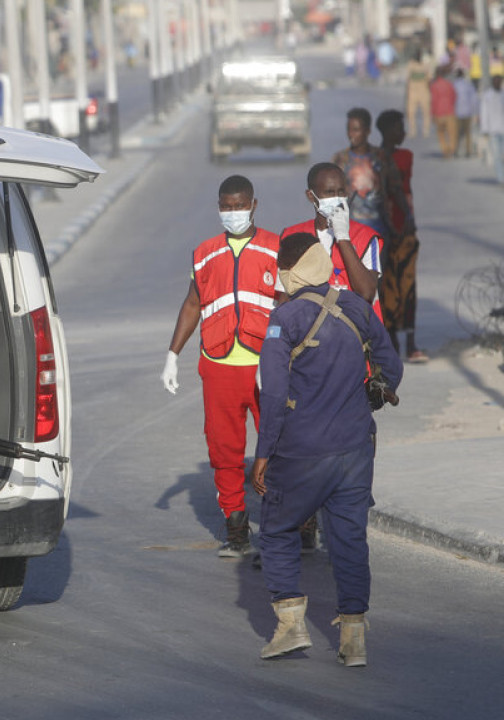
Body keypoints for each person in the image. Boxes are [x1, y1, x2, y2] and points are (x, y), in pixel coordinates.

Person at [252, 232, 403, 667]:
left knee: (278, 531)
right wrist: (377, 390)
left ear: (289, 272)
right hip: (356, 448)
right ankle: (354, 639)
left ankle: (289, 627)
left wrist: (263, 453)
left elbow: (274, 395)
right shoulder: (356, 305)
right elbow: (391, 366)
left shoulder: (284, 319)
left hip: (302, 451)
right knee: (350, 538)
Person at [160, 175, 282, 558]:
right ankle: (237, 531)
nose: (232, 213)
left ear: (254, 205)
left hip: (268, 367)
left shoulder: (276, 249)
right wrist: (172, 355)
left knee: (280, 446)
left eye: (239, 205)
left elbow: (292, 304)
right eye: (225, 207)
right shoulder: (205, 253)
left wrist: (283, 356)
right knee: (224, 450)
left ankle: (289, 528)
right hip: (219, 366)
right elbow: (193, 304)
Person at [281, 162, 384, 319]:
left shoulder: (366, 237)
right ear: (311, 196)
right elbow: (284, 297)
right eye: (329, 192)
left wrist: (343, 236)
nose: (336, 198)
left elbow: (367, 293)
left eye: (341, 192)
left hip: (355, 334)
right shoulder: (292, 235)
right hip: (310, 334)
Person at [376, 110, 429, 362]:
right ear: (386, 130)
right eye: (398, 128)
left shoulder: (403, 157)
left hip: (403, 228)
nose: (403, 132)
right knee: (388, 285)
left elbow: (399, 190)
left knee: (407, 284)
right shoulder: (377, 158)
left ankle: (408, 339)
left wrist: (409, 220)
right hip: (385, 229)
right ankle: (394, 339)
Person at [330, 107, 408, 246]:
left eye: (356, 130)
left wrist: (407, 219)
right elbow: (329, 196)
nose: (351, 134)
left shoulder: (381, 157)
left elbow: (396, 190)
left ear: (367, 131)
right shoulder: (340, 159)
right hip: (349, 235)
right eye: (349, 130)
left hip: (378, 231)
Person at [404, 47, 433, 138]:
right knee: (411, 112)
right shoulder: (411, 64)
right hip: (414, 91)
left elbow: (429, 78)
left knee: (426, 112)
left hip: (423, 91)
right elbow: (408, 78)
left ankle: (426, 130)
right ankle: (413, 130)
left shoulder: (426, 65)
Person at [480, 75, 504, 185]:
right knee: (497, 156)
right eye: (495, 81)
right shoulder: (487, 96)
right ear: (492, 82)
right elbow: (484, 113)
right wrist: (485, 129)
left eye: (499, 81)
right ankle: (501, 179)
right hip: (493, 131)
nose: (497, 83)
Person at [430, 66, 458, 158]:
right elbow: (454, 96)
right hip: (450, 112)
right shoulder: (449, 84)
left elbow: (433, 100)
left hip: (439, 113)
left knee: (441, 134)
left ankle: (445, 150)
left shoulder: (434, 85)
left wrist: (432, 114)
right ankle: (452, 149)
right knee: (452, 133)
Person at [452, 68, 479, 158]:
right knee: (468, 133)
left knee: (457, 133)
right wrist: (475, 111)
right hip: (467, 112)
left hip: (457, 112)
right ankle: (468, 150)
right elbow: (474, 99)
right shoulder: (468, 84)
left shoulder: (454, 85)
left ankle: (456, 150)